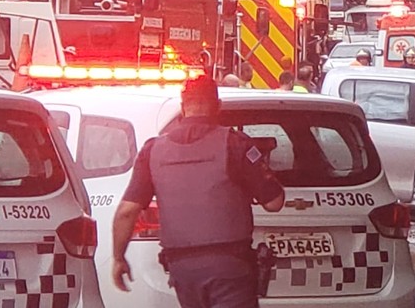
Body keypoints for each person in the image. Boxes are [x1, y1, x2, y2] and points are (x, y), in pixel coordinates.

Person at [111, 76, 285, 308]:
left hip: (182, 269)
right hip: (230, 266)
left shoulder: (153, 150)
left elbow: (126, 211)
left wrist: (119, 258)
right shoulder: (235, 144)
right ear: (218, 105)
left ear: (183, 107)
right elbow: (274, 202)